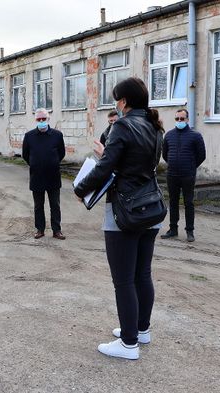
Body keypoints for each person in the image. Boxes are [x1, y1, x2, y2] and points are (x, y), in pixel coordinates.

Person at [74, 77, 164, 360]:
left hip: (124, 212)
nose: (116, 104)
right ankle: (140, 330)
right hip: (151, 208)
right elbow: (139, 165)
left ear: (123, 102)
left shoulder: (122, 125)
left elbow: (106, 170)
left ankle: (128, 344)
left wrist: (80, 188)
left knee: (123, 280)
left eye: (116, 99)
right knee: (142, 274)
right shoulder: (155, 125)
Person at [161, 108, 206, 242]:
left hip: (188, 175)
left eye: (182, 119)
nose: (179, 121)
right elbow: (165, 154)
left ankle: (190, 231)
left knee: (188, 202)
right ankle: (173, 229)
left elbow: (202, 155)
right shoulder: (169, 135)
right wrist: (174, 164)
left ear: (187, 119)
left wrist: (191, 167)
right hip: (172, 174)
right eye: (177, 119)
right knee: (173, 202)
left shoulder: (195, 136)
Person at [22, 108, 66, 240]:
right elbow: (25, 155)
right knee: (38, 206)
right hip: (37, 176)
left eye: (44, 119)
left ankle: (56, 230)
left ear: (48, 119)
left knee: (55, 205)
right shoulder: (29, 136)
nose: (41, 121)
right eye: (39, 119)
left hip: (53, 176)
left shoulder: (57, 135)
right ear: (35, 120)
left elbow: (61, 153)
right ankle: (39, 229)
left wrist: (52, 162)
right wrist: (35, 164)